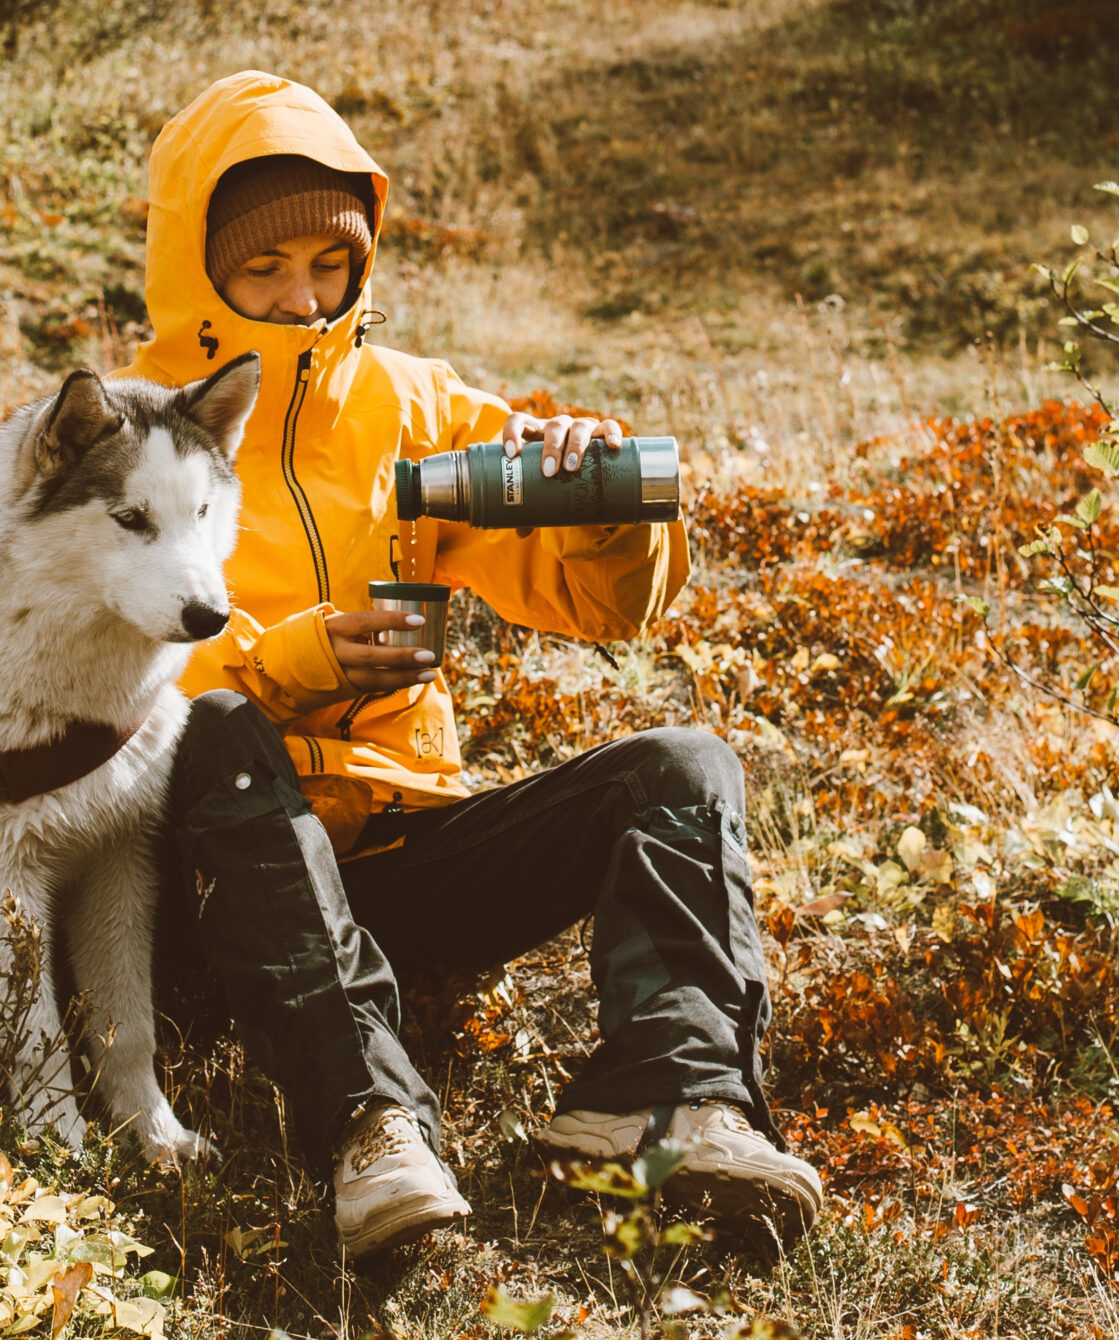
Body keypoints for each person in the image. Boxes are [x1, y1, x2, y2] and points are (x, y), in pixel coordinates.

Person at [120, 72, 824, 1259]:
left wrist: (602, 504)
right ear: (199, 271)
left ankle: (668, 1100)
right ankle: (370, 1127)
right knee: (223, 731)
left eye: (330, 266)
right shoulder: (124, 434)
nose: (303, 296)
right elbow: (82, 694)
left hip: (398, 856)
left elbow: (611, 606)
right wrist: (279, 665)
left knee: (679, 764)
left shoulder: (412, 407)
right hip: (201, 889)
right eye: (264, 269)